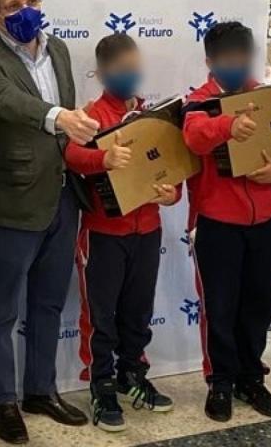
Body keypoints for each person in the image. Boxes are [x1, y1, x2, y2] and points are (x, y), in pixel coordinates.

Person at [0, 0, 98, 444]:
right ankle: (3, 403)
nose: (26, 12)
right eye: (14, 6)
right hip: (13, 200)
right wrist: (59, 117)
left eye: (32, 2)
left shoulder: (58, 49)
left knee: (47, 303)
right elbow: (4, 102)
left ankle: (40, 389)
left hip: (63, 197)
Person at [181, 21, 271, 423]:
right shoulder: (197, 103)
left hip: (266, 221)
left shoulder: (267, 98)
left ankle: (252, 376)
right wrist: (229, 124)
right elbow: (195, 138)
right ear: (210, 62)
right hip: (218, 224)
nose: (236, 66)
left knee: (259, 303)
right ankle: (221, 382)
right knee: (221, 306)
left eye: (242, 59)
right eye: (227, 60)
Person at [65, 34, 178, 433]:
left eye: (134, 68)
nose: (129, 76)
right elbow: (73, 155)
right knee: (100, 316)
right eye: (120, 70)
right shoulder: (91, 116)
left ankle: (133, 374)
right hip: (103, 233)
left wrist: (170, 193)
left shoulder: (151, 116)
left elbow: (171, 166)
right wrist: (104, 157)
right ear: (101, 73)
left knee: (138, 310)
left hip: (147, 230)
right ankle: (102, 386)